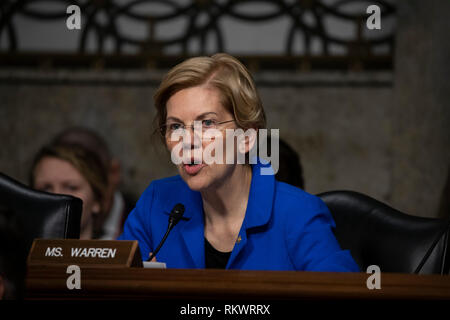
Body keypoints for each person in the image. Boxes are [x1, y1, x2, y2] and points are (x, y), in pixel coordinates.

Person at [119, 53, 359, 271]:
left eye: (207, 123)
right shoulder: (156, 204)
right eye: (176, 126)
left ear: (247, 138)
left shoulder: (299, 214)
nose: (187, 141)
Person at [52, 127, 135, 239]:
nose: (57, 198)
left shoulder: (146, 224)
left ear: (113, 172)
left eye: (72, 187)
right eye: (46, 188)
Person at [30, 143, 108, 240]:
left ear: (97, 200)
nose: (56, 196)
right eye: (45, 188)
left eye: (71, 187)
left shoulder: (121, 253)